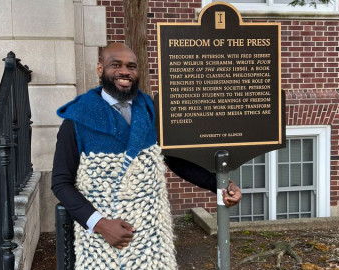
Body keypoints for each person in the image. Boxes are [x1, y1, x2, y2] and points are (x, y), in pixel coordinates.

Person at [52, 43, 241, 270]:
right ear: (100, 69)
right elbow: (61, 183)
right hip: (103, 243)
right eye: (116, 65)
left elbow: (175, 159)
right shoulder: (77, 120)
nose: (125, 72)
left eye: (131, 66)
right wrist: (100, 224)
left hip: (152, 240)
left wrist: (219, 185)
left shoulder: (151, 111)